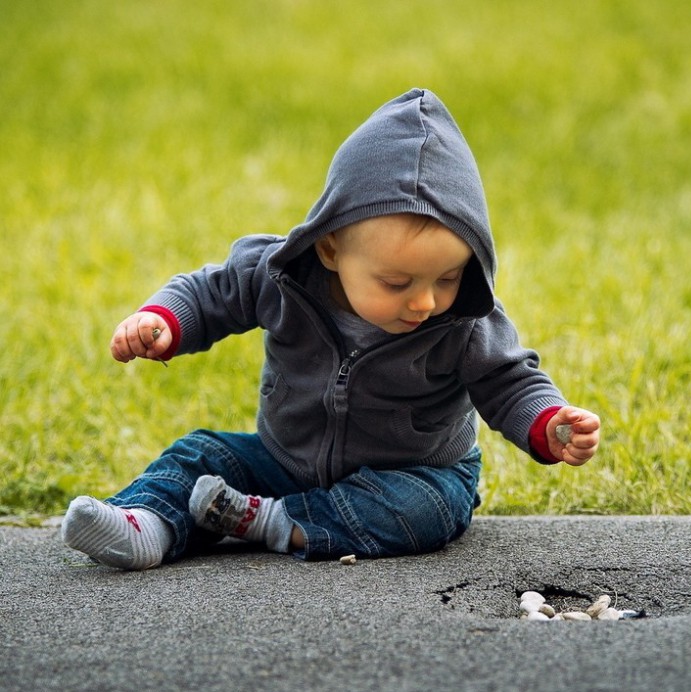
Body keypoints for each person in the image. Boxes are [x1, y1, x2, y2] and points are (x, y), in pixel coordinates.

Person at [61, 88, 601, 570]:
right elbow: (209, 293)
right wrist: (162, 320)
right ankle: (145, 523)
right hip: (283, 459)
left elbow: (510, 381)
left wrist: (548, 423)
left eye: (449, 277)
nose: (425, 300)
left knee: (423, 512)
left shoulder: (462, 321)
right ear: (329, 247)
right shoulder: (279, 276)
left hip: (415, 474)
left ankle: (273, 522)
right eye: (395, 281)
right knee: (200, 456)